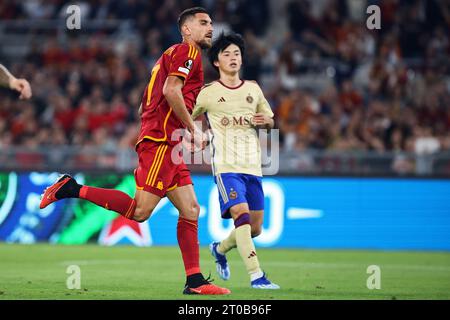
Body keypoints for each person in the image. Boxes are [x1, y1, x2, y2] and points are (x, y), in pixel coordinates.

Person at [39, 7, 230, 295]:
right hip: (162, 143)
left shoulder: (168, 56)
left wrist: (177, 127)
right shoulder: (187, 52)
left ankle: (195, 282)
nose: (210, 28)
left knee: (190, 208)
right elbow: (170, 91)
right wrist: (192, 129)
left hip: (167, 142)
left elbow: (145, 105)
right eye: (203, 23)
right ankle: (70, 188)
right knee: (139, 211)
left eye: (211, 23)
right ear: (187, 30)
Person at [192, 32, 280, 289]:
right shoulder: (208, 93)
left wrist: (268, 122)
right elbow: (186, 115)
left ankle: (219, 249)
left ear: (241, 60)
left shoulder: (253, 89)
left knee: (255, 228)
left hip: (253, 166)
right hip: (226, 167)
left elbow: (270, 119)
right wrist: (199, 135)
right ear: (216, 62)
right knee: (239, 214)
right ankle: (256, 275)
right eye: (226, 54)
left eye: (236, 53)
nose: (233, 58)